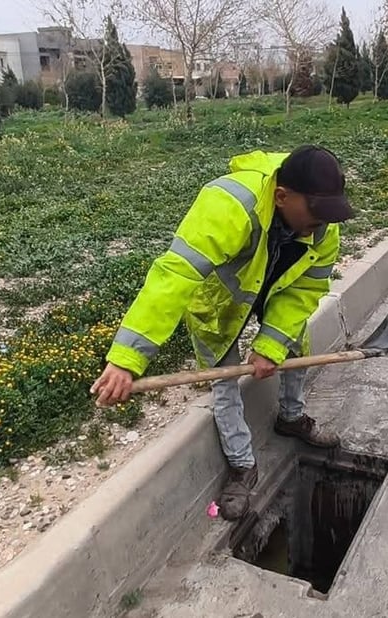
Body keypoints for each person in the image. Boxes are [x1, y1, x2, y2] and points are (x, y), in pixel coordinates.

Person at [90, 145, 355, 520]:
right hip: (220, 297)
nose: (321, 228)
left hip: (275, 285)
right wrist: (126, 358)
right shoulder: (230, 204)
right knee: (224, 378)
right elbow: (175, 276)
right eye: (313, 219)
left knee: (296, 344)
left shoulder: (322, 226)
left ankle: (291, 418)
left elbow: (304, 291)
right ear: (282, 196)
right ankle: (243, 465)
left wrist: (270, 346)